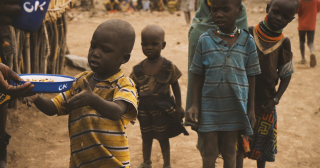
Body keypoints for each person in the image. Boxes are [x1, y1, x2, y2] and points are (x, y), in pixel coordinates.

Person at [23, 19, 138, 168]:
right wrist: (36, 97)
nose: (95, 53)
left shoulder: (124, 85)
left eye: (106, 50)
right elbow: (53, 108)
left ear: (124, 58)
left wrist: (93, 100)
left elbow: (117, 111)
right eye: (93, 46)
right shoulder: (79, 81)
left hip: (113, 164)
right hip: (80, 162)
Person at [186, 0, 261, 167]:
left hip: (234, 107)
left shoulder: (247, 41)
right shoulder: (204, 40)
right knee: (209, 152)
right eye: (215, 10)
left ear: (239, 10)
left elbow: (252, 76)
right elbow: (197, 73)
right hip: (210, 107)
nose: (219, 14)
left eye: (225, 10)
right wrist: (195, 105)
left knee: (230, 151)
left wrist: (250, 109)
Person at [246, 0, 299, 167]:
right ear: (267, 8)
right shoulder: (248, 33)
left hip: (266, 104)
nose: (278, 18)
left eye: (285, 17)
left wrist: (276, 99)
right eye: (275, 12)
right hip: (243, 101)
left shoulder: (284, 42)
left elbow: (286, 74)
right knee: (239, 145)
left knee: (262, 147)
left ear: (291, 20)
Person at [130, 25, 188, 168]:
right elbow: (131, 91)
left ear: (163, 45)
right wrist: (130, 111)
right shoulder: (137, 70)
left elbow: (175, 85)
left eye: (154, 44)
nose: (149, 47)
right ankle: (146, 162)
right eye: (145, 44)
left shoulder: (168, 66)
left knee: (163, 137)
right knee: (146, 137)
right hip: (144, 110)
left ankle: (167, 164)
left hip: (163, 108)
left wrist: (179, 106)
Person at [296, 0, 320, 67]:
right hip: (311, 25)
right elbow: (318, 9)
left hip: (302, 26)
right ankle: (312, 52)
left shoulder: (300, 1)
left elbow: (296, 11)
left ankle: (303, 58)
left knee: (302, 41)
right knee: (310, 42)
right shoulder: (316, 1)